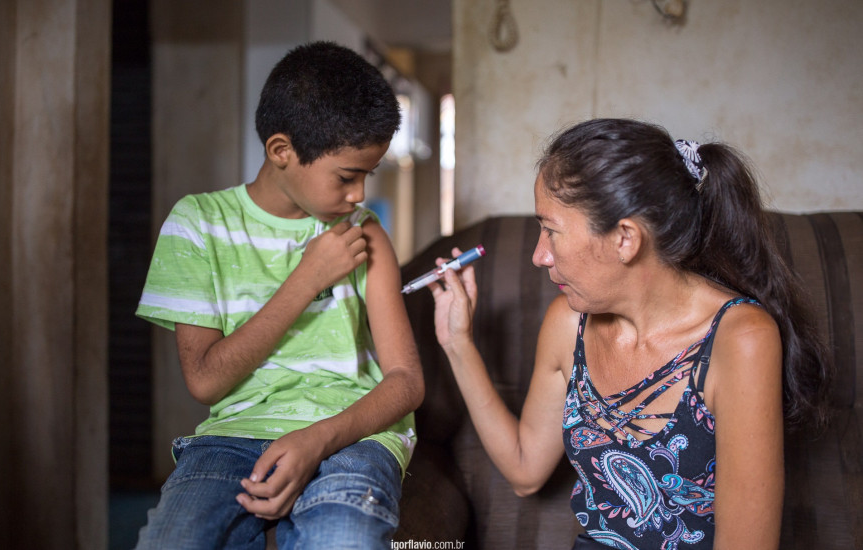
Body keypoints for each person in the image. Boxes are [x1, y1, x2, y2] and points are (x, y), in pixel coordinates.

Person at [429, 118, 831, 549]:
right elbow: (525, 471)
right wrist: (457, 342)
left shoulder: (740, 340)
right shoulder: (568, 324)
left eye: (551, 231)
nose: (539, 255)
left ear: (625, 238)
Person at [133, 41, 423, 550]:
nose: (359, 195)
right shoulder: (198, 224)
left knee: (344, 538)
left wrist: (319, 438)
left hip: (349, 434)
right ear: (281, 151)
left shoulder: (365, 231)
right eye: (347, 176)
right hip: (233, 437)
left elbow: (405, 381)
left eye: (367, 176)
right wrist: (306, 279)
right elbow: (204, 381)